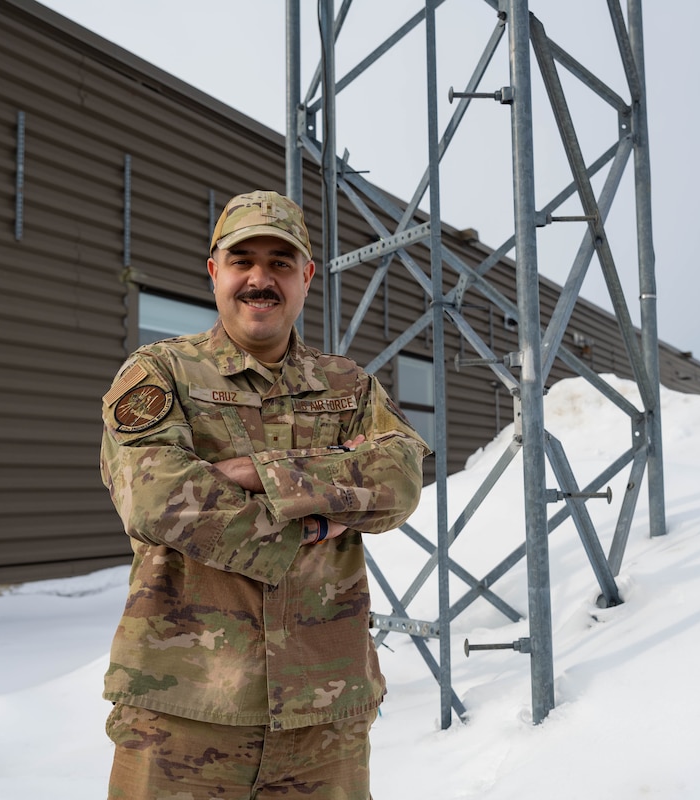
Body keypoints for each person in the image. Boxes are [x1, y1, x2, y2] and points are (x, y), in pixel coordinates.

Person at [98, 190, 429, 799]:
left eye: (280, 262)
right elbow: (155, 497)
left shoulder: (349, 387)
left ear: (305, 277)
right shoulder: (160, 372)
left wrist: (258, 471)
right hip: (185, 707)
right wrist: (317, 518)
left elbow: (402, 479)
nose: (260, 278)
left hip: (324, 711)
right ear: (214, 272)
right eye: (242, 259)